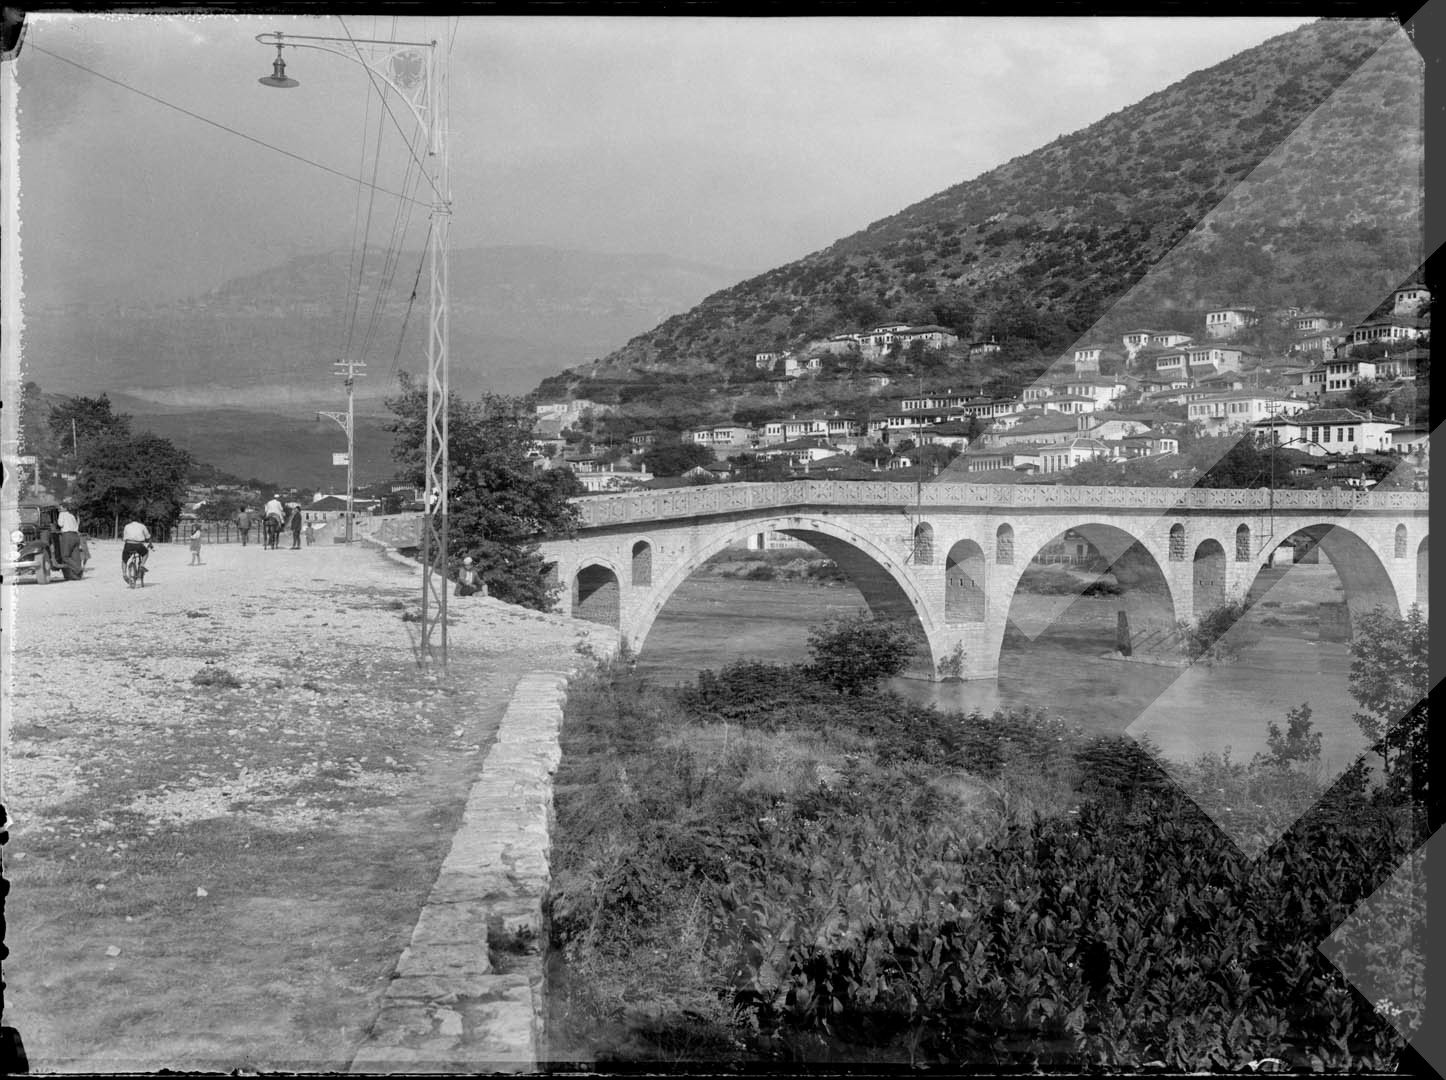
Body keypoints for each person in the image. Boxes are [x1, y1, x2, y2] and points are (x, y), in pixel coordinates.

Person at [56, 500, 84, 578]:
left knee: (65, 557)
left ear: (65, 508)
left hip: (67, 536)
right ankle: (78, 575)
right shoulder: (72, 516)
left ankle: (78, 569)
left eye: (60, 508)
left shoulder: (62, 514)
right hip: (75, 536)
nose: (59, 509)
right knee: (76, 557)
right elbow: (76, 526)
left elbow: (60, 524)